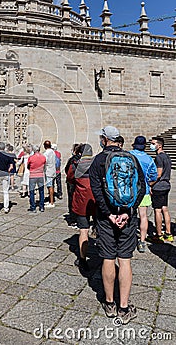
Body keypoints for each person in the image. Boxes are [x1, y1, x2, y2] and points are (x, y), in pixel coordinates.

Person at [89, 126, 145, 324]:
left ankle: (110, 304)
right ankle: (124, 307)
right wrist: (128, 212)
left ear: (104, 139)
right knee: (125, 259)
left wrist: (109, 214)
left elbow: (96, 191)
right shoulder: (131, 158)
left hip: (106, 219)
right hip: (128, 217)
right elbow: (141, 187)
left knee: (107, 257)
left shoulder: (98, 160)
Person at [67, 144, 95, 272]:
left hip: (82, 201)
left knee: (83, 231)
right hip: (96, 200)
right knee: (100, 227)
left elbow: (70, 179)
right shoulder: (97, 163)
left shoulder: (76, 165)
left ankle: (82, 259)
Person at [130, 136, 157, 252]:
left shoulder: (128, 155)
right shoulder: (149, 159)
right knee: (143, 216)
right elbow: (154, 176)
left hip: (129, 190)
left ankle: (127, 239)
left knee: (128, 215)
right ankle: (142, 241)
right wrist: (148, 183)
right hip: (144, 190)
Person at [148, 137, 173, 243]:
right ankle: (168, 233)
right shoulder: (167, 156)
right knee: (165, 209)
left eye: (153, 143)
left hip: (159, 186)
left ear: (159, 145)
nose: (151, 145)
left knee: (157, 210)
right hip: (166, 185)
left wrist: (150, 185)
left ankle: (158, 235)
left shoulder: (159, 158)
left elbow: (158, 174)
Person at [65, 143, 81, 227]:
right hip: (80, 183)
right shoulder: (83, 160)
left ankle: (73, 219)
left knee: (71, 200)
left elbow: (67, 170)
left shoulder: (72, 160)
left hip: (72, 182)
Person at [27, 145, 46, 212]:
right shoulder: (43, 157)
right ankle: (41, 206)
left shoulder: (31, 158)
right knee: (41, 191)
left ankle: (33, 207)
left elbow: (28, 166)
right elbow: (44, 165)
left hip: (33, 175)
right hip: (40, 175)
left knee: (32, 191)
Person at [43, 140, 56, 207]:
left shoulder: (46, 153)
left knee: (50, 186)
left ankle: (51, 202)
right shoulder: (53, 152)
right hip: (52, 170)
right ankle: (50, 200)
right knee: (51, 186)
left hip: (48, 171)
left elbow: (44, 161)